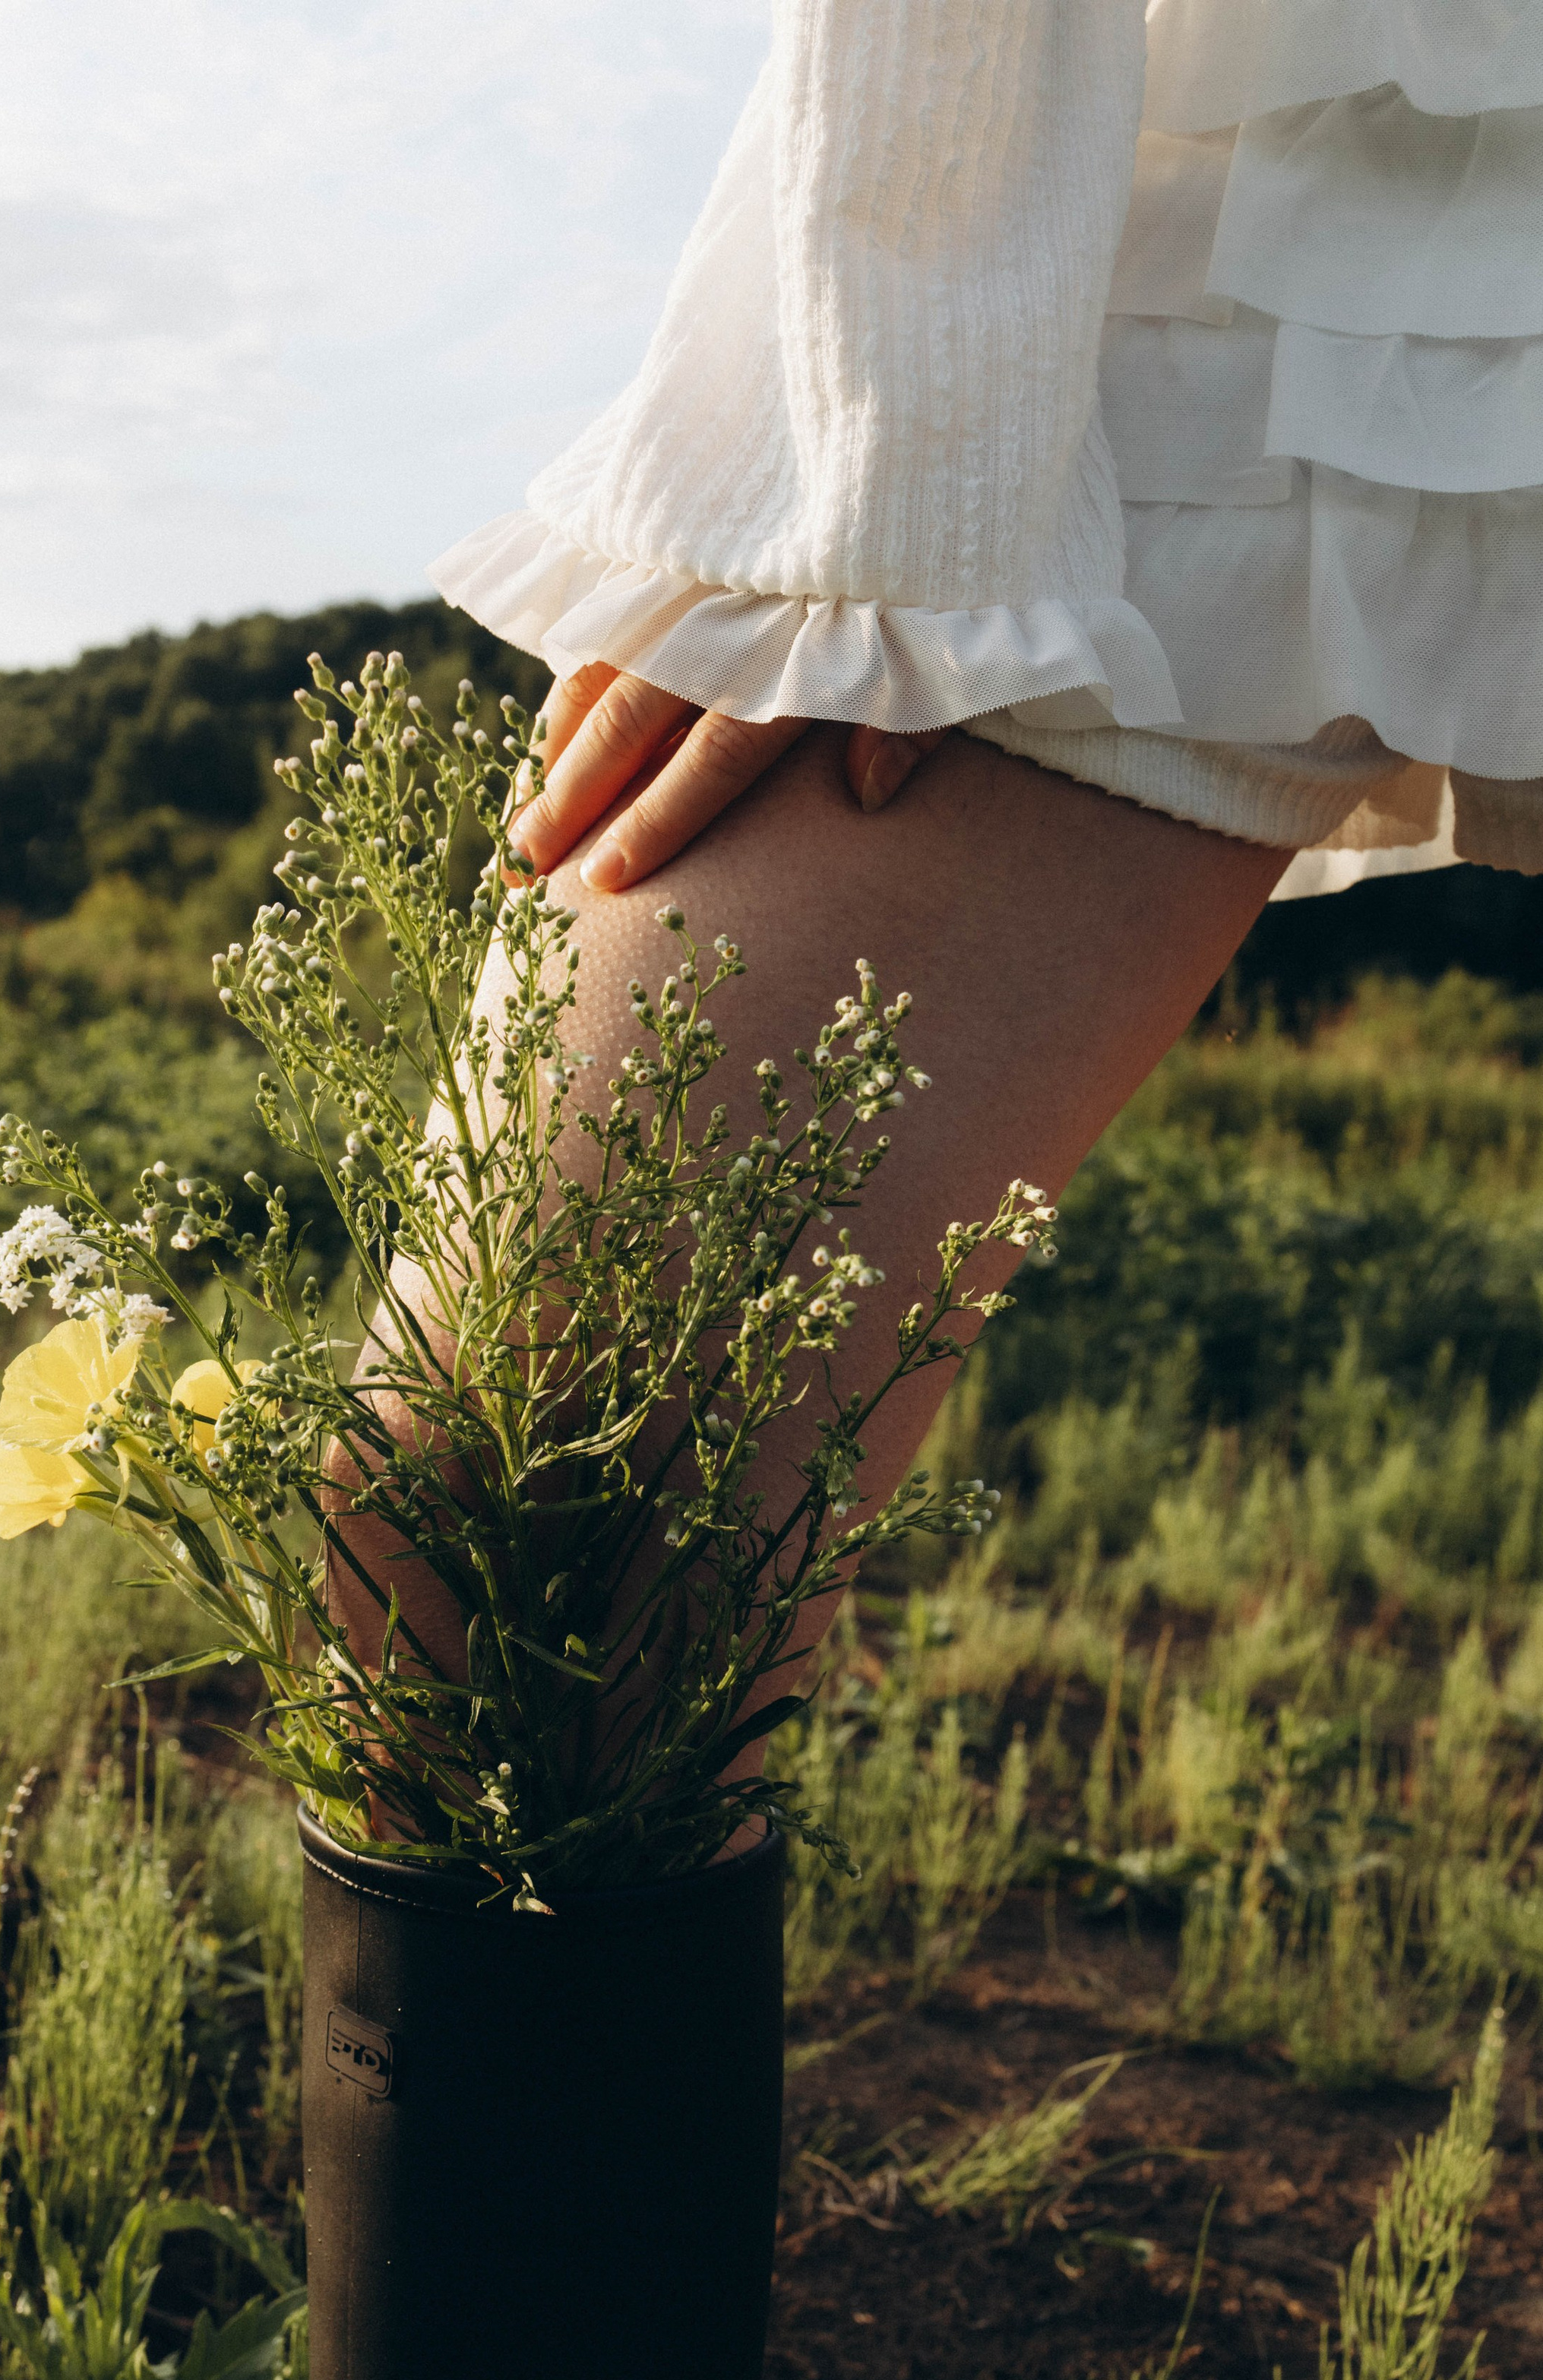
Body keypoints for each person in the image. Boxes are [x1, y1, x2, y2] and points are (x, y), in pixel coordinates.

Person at [408, 0, 1543, 1594]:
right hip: (1269, 155)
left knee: (544, 1510)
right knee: (514, 1500)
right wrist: (875, 463)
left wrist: (874, 488)